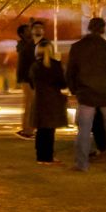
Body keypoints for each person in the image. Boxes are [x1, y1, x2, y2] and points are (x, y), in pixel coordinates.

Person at [66, 17, 106, 172]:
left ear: (89, 28)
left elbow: (70, 72)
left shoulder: (77, 48)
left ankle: (82, 163)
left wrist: (74, 89)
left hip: (86, 94)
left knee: (84, 131)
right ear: (103, 29)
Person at [30, 37, 68, 165]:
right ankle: (48, 157)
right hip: (52, 100)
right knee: (50, 130)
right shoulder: (56, 65)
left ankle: (40, 157)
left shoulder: (35, 66)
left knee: (41, 130)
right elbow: (62, 83)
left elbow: (31, 83)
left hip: (39, 100)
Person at [14, 23, 35, 138]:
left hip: (29, 78)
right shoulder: (23, 45)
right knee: (30, 103)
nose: (30, 32)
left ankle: (27, 128)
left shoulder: (26, 45)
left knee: (29, 103)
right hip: (27, 78)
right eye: (28, 30)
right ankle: (28, 130)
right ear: (22, 34)